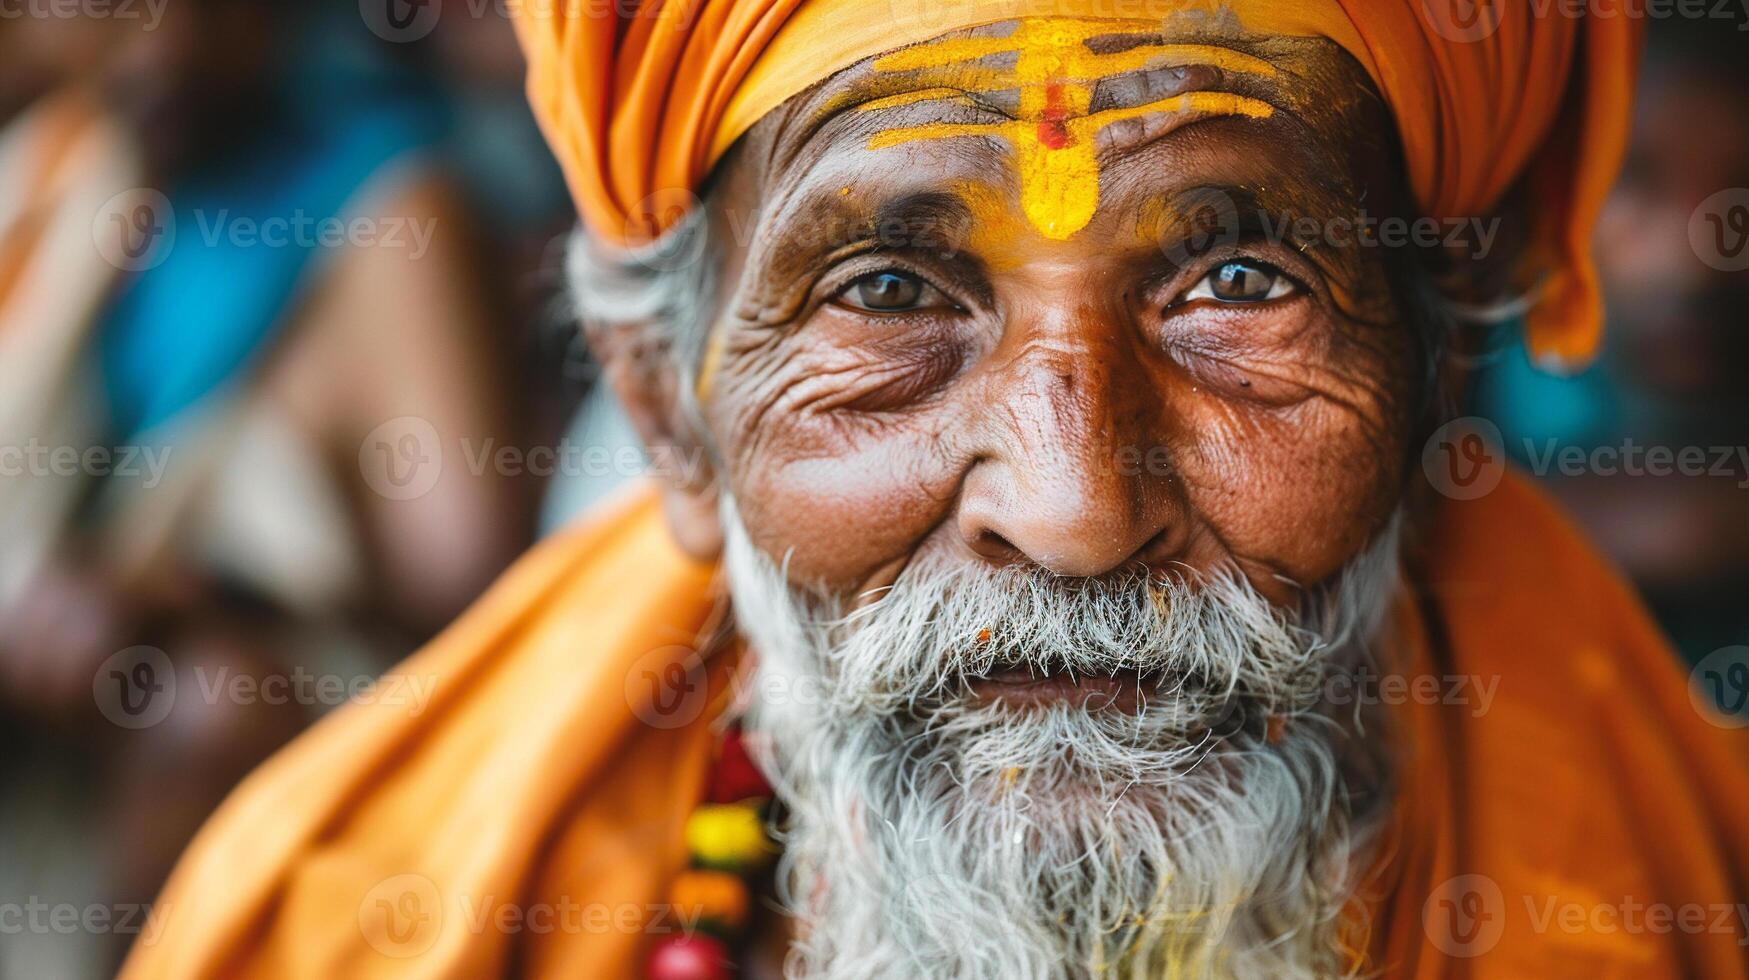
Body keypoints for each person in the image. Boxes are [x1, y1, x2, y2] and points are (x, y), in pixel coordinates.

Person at [123, 2, 1749, 978]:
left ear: (1423, 371)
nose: (1067, 507)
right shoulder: (342, 929)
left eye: (1238, 282)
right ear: (668, 417)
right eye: (890, 294)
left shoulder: (1676, 904)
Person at [0, 2, 531, 972]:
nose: (160, 46)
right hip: (52, 738)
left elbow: (469, 578)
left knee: (211, 695)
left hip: (295, 715)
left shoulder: (386, 202)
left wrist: (184, 586)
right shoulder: (62, 179)